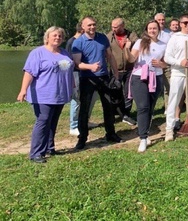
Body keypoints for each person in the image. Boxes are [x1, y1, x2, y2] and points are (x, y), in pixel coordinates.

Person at [17, 27, 74, 163]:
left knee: (53, 121)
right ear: (47, 37)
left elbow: (69, 71)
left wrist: (72, 87)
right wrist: (23, 90)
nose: (57, 38)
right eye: (54, 35)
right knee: (43, 121)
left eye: (60, 36)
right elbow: (29, 72)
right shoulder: (38, 53)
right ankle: (36, 153)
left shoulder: (65, 53)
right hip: (43, 94)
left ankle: (49, 147)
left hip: (60, 95)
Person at [72, 16, 122, 150]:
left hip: (103, 77)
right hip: (87, 79)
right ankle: (82, 138)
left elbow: (110, 56)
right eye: (89, 25)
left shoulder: (102, 38)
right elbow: (77, 64)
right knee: (84, 109)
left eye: (94, 24)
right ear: (83, 27)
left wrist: (116, 75)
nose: (92, 27)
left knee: (109, 106)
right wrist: (90, 67)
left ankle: (110, 134)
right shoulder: (78, 42)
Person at [124, 20, 167, 152]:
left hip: (156, 77)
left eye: (155, 28)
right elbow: (131, 59)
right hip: (140, 77)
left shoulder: (164, 45)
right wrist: (126, 48)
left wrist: (161, 64)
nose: (152, 30)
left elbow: (166, 63)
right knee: (143, 107)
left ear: (158, 30)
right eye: (150, 28)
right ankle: (143, 138)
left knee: (151, 107)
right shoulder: (140, 42)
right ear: (146, 30)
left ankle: (146, 132)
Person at [67, 22, 99, 136]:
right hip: (76, 74)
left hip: (87, 73)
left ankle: (85, 120)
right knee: (77, 99)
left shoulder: (85, 41)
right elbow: (72, 62)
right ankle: (74, 126)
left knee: (90, 98)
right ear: (82, 29)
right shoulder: (73, 42)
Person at [107, 17, 138, 126]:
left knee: (128, 93)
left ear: (122, 26)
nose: (113, 29)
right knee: (115, 92)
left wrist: (130, 44)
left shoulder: (131, 35)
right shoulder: (109, 36)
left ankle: (126, 114)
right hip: (116, 69)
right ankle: (116, 112)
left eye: (116, 27)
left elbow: (138, 45)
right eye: (112, 27)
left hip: (130, 69)